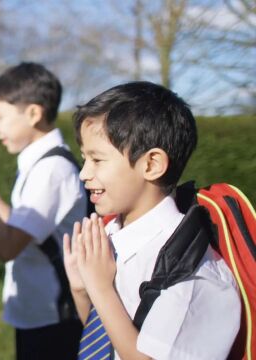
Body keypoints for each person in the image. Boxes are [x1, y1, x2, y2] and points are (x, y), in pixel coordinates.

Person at [63, 81, 240, 359]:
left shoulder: (192, 276)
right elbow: (108, 341)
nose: (84, 173)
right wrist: (82, 288)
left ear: (151, 164)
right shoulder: (111, 235)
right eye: (84, 158)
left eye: (97, 160)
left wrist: (100, 287)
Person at [0, 62, 86, 359]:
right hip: (40, 314)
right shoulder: (39, 164)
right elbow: (19, 226)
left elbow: (8, 245)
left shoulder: (52, 170)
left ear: (34, 113)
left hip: (54, 319)